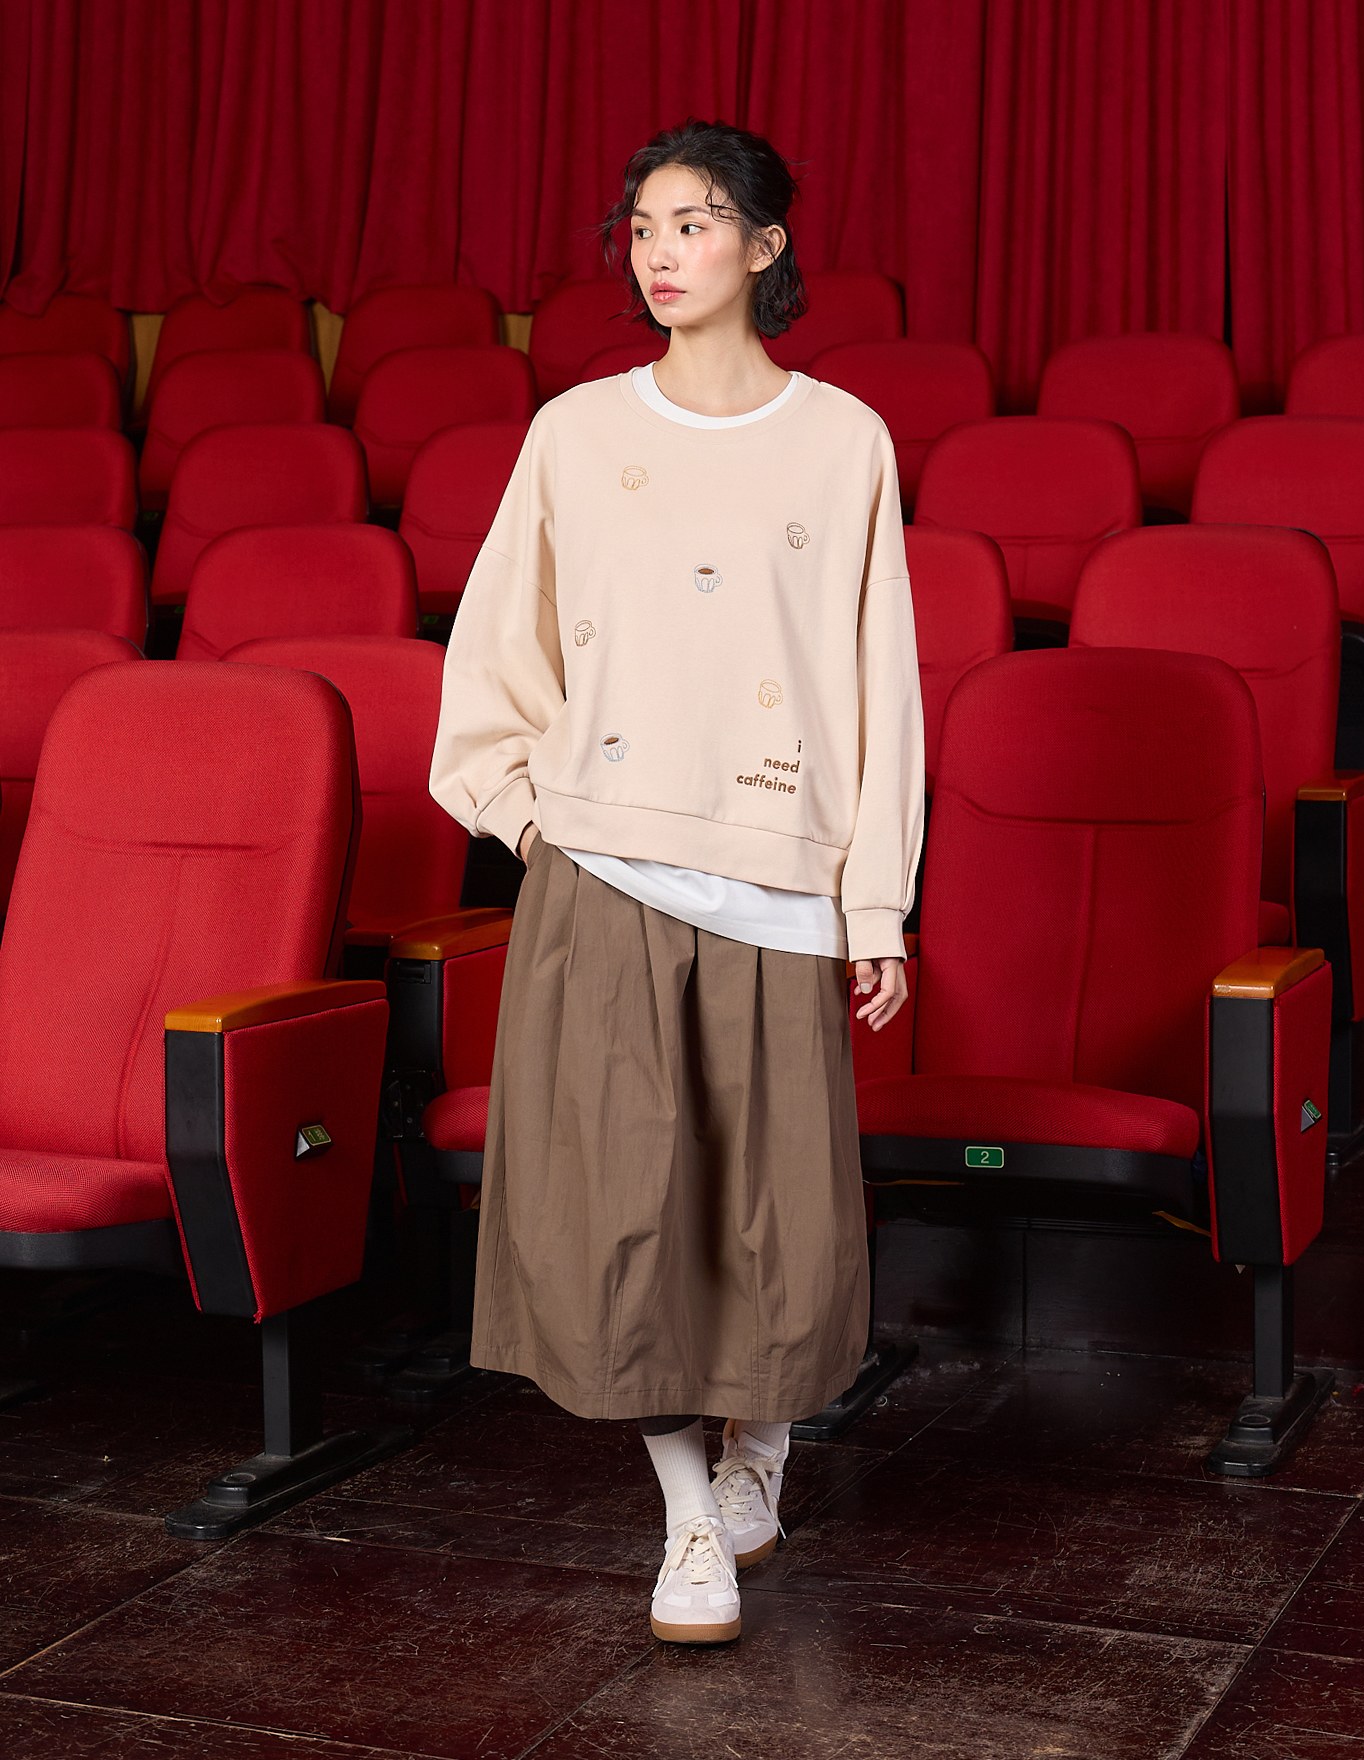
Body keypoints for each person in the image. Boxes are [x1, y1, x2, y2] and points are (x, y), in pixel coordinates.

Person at [428, 116, 924, 1646]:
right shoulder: (576, 433)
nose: (661, 252)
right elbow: (495, 649)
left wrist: (874, 903)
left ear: (766, 245)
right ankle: (686, 1513)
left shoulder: (844, 441)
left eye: (695, 222)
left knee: (781, 1223)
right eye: (642, 227)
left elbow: (881, 688)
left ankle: (762, 1451)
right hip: (607, 875)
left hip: (776, 877)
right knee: (619, 1214)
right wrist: (533, 821)